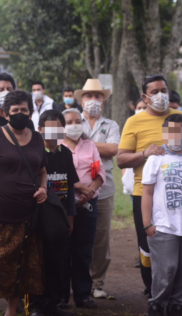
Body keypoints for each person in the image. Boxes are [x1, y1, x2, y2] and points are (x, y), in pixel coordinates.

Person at [118, 75, 182, 315]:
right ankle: (155, 297)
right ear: (145, 96)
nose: (161, 95)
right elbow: (121, 159)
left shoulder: (181, 120)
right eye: (155, 91)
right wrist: (144, 153)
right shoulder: (134, 122)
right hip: (146, 195)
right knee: (151, 252)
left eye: (164, 90)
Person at [0, 90, 48, 316]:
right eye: (15, 111)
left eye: (24, 110)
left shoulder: (36, 138)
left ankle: (11, 312)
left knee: (21, 268)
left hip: (28, 217)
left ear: (30, 112)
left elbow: (43, 171)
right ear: (6, 114)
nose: (20, 114)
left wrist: (44, 187)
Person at [141, 114, 182, 316]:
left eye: (180, 131)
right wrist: (147, 225)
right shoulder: (155, 160)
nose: (176, 136)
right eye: (171, 132)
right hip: (163, 227)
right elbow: (147, 193)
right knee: (166, 269)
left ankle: (176, 305)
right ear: (165, 134)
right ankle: (157, 304)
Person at [28, 109, 78, 316]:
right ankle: (35, 306)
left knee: (57, 260)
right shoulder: (34, 153)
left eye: (59, 128)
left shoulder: (66, 153)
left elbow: (71, 188)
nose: (55, 132)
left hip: (60, 216)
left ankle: (52, 304)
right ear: (40, 130)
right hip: (40, 216)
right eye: (50, 128)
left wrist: (70, 217)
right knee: (38, 260)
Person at [75, 79, 121, 299]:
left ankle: (97, 283)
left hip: (104, 189)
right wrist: (92, 146)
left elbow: (113, 149)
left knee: (101, 237)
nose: (93, 100)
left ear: (103, 101)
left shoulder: (110, 125)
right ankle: (75, 281)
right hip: (75, 189)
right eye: (88, 96)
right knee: (74, 235)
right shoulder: (73, 121)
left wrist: (82, 143)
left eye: (98, 96)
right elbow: (65, 144)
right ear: (81, 100)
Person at [60, 108, 105, 309]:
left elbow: (99, 172)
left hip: (88, 203)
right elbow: (57, 173)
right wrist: (78, 186)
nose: (74, 124)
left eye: (78, 120)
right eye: (69, 121)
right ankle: (61, 295)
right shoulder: (57, 146)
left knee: (84, 249)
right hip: (63, 203)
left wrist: (90, 191)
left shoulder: (90, 146)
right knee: (63, 249)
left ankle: (83, 295)